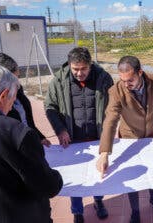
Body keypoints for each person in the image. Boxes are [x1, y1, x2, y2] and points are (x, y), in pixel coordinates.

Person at [0, 65, 63, 223]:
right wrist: (57, 177)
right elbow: (47, 186)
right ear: (3, 96)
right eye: (13, 99)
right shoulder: (15, 133)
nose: (13, 105)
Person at [96, 56, 153, 223]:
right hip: (130, 136)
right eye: (123, 80)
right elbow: (110, 120)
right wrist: (105, 152)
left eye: (130, 80)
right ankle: (135, 211)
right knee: (134, 175)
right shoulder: (117, 91)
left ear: (140, 73)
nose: (126, 84)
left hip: (152, 133)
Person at [44, 47, 113, 223]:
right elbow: (50, 107)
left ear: (90, 65)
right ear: (70, 65)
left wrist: (109, 131)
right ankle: (77, 212)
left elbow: (114, 106)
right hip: (72, 141)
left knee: (99, 173)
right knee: (75, 177)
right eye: (75, 69)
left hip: (97, 137)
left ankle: (99, 201)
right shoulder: (58, 80)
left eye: (83, 69)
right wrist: (60, 129)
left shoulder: (103, 78)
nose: (79, 73)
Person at [0, 53, 51, 147]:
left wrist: (39, 137)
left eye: (18, 77)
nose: (17, 82)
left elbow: (27, 121)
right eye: (14, 78)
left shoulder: (18, 90)